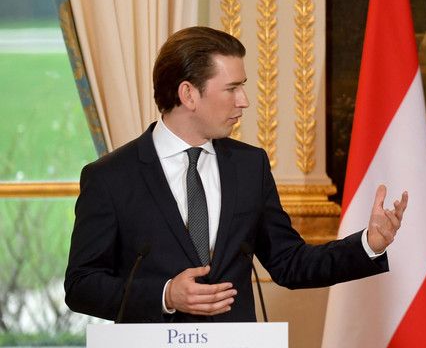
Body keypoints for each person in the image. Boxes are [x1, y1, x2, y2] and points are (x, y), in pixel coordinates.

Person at [65, 26, 405, 322]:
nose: (244, 101)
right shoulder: (110, 177)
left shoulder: (249, 166)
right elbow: (81, 286)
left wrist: (368, 244)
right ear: (188, 94)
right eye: (232, 88)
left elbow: (289, 263)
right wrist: (165, 295)